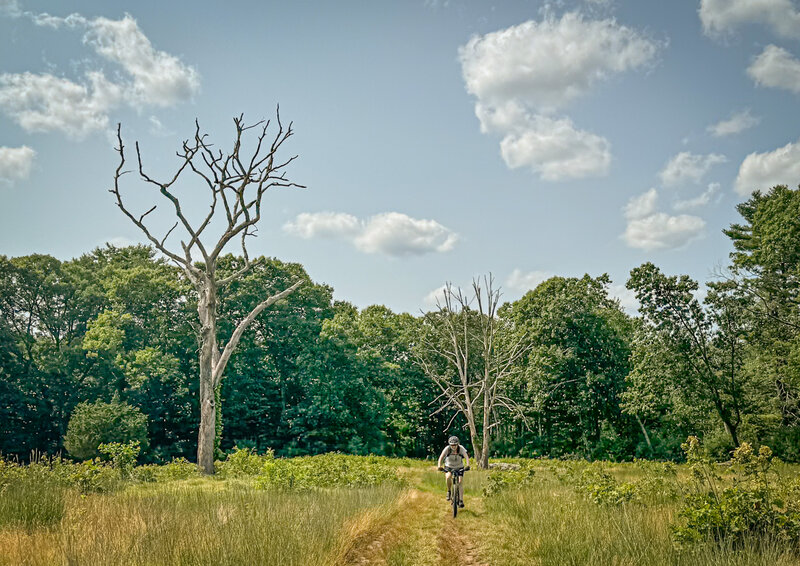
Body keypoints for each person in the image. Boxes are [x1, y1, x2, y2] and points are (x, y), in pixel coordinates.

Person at [437, 435, 469, 507]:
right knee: (448, 477)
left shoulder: (461, 448)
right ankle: (449, 491)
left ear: (457, 444)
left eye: (455, 445)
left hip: (459, 466)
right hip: (449, 466)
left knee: (460, 482)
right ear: (449, 445)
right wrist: (439, 466)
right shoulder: (447, 449)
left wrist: (467, 465)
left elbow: (466, 457)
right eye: (452, 445)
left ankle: (461, 500)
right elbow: (441, 457)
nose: (453, 446)